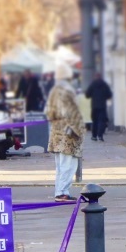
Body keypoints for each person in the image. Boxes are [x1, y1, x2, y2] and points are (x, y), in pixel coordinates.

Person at [45, 62, 84, 201]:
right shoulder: (68, 90)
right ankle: (62, 192)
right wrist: (79, 131)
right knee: (69, 165)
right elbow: (73, 113)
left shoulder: (54, 90)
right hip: (68, 133)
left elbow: (48, 112)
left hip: (56, 131)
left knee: (60, 166)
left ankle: (59, 191)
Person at [86, 72, 113, 141]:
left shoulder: (92, 84)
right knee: (102, 121)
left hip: (94, 106)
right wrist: (104, 97)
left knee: (95, 121)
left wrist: (93, 95)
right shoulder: (104, 84)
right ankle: (100, 136)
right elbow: (109, 95)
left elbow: (87, 95)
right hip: (102, 106)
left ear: (95, 77)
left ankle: (94, 136)